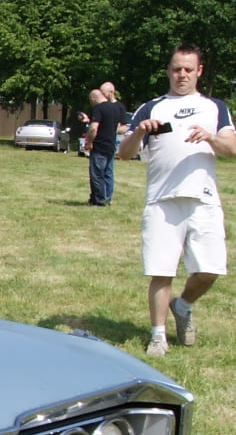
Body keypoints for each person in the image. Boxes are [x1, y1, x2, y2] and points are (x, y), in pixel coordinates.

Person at [116, 44, 236, 357]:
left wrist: (210, 137)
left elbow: (232, 149)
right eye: (176, 69)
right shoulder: (151, 108)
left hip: (203, 199)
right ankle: (158, 336)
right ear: (168, 71)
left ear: (199, 71)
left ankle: (182, 306)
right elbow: (124, 154)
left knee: (210, 270)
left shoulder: (215, 107)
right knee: (161, 270)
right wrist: (138, 133)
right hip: (161, 201)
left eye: (188, 69)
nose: (181, 75)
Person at [86, 83, 126, 205]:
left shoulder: (98, 108)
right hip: (111, 145)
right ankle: (106, 198)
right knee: (108, 173)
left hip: (99, 145)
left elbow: (93, 128)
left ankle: (99, 200)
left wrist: (90, 142)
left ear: (93, 98)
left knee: (97, 175)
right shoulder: (116, 108)